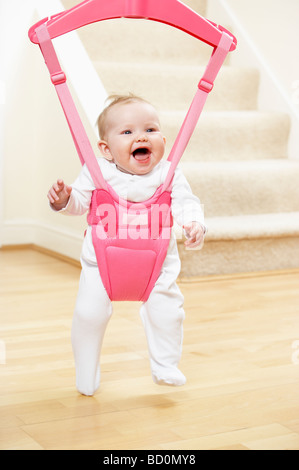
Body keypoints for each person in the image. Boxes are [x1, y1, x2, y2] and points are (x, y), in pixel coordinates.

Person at [47, 94, 206, 396]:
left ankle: (165, 364)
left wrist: (194, 223)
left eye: (150, 129)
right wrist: (65, 199)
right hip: (102, 267)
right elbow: (79, 203)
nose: (141, 137)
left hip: (157, 268)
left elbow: (187, 203)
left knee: (169, 312)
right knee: (88, 313)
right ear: (106, 149)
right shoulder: (97, 172)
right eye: (128, 132)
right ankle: (86, 372)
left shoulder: (168, 174)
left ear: (162, 138)